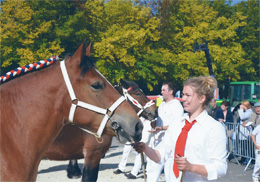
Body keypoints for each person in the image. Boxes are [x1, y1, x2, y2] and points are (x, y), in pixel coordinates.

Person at [132, 76, 227, 182]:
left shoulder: (214, 128)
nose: (183, 99)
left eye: (188, 95)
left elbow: (221, 168)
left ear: (202, 98)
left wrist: (191, 167)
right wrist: (145, 148)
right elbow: (160, 155)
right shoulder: (177, 124)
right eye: (183, 95)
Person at [144, 81, 184, 182]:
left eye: (163, 90)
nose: (161, 92)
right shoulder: (161, 105)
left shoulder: (177, 106)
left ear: (171, 92)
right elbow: (160, 121)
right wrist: (155, 124)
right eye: (161, 90)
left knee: (169, 173)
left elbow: (176, 125)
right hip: (157, 141)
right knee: (152, 170)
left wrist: (161, 128)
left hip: (169, 143)